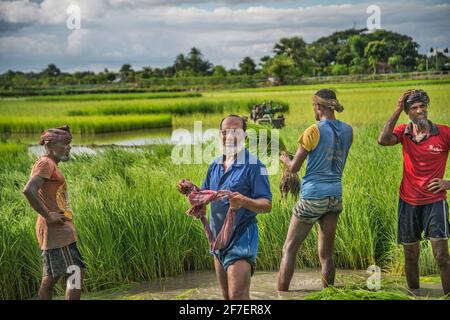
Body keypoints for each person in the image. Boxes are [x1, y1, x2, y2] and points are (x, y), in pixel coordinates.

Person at [179, 115, 272, 300]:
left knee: (237, 296)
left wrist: (244, 201)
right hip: (218, 241)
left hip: (242, 238)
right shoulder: (214, 165)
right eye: (225, 132)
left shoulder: (255, 166)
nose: (229, 136)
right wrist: (191, 189)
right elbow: (205, 195)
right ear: (220, 135)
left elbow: (267, 205)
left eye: (235, 131)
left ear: (244, 135)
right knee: (226, 297)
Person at [277, 89, 353, 291]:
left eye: (314, 106)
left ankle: (281, 295)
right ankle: (329, 293)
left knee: (289, 249)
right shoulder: (348, 130)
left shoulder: (313, 130)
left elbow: (294, 168)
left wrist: (284, 159)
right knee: (327, 254)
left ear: (318, 107)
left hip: (312, 196)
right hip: (335, 196)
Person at [377, 89, 450, 295]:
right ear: (408, 112)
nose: (419, 111)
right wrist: (397, 109)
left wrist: (448, 183)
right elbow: (382, 140)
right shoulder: (404, 132)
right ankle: (414, 295)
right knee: (410, 254)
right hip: (407, 202)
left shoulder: (444, 133)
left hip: (435, 202)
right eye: (414, 108)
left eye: (422, 106)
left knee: (441, 256)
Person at [23, 125, 85, 300]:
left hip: (57, 230)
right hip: (56, 230)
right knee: (75, 272)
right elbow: (29, 190)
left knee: (51, 277)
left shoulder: (50, 164)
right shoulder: (45, 163)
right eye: (65, 143)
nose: (69, 147)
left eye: (70, 143)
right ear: (49, 145)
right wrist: (49, 216)